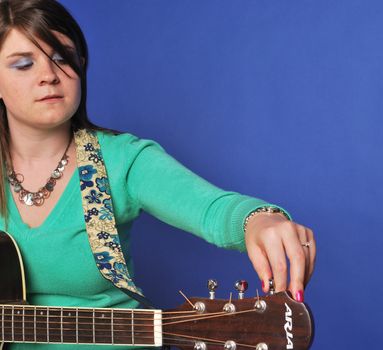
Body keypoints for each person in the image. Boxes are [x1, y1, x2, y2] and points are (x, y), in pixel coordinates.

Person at [0, 0, 316, 349]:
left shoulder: (123, 161)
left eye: (62, 57)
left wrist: (258, 220)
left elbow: (211, 209)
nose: (49, 74)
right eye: (24, 64)